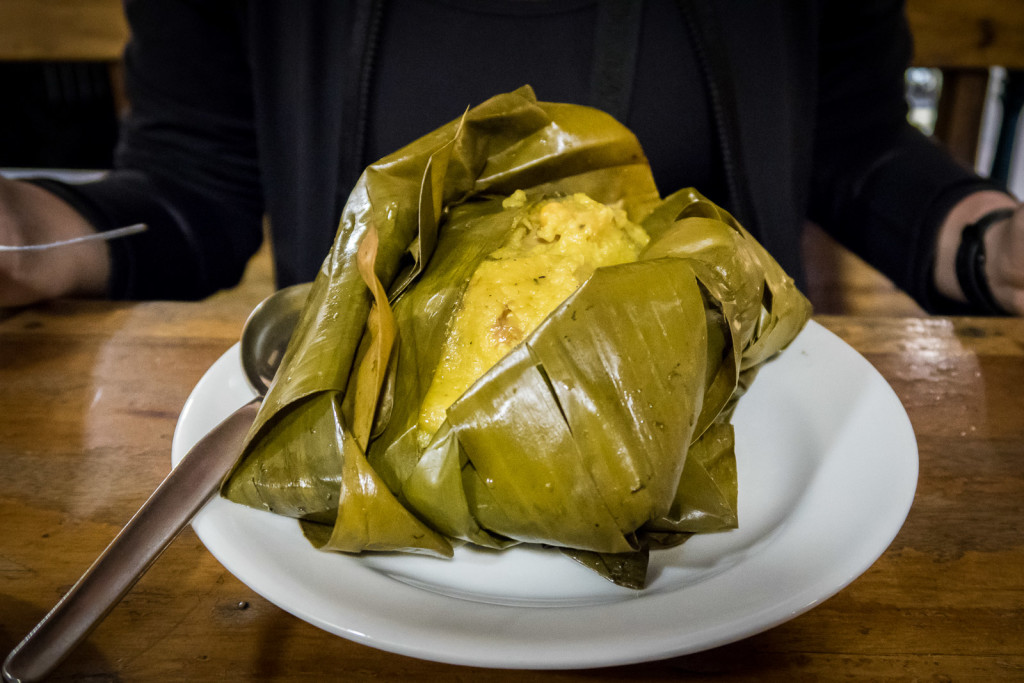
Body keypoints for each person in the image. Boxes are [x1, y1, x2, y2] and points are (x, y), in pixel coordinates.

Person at [1, 0, 1022, 315]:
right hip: (377, 457)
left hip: (744, 443)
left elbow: (852, 148)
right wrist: (28, 235)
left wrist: (989, 243)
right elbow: (196, 182)